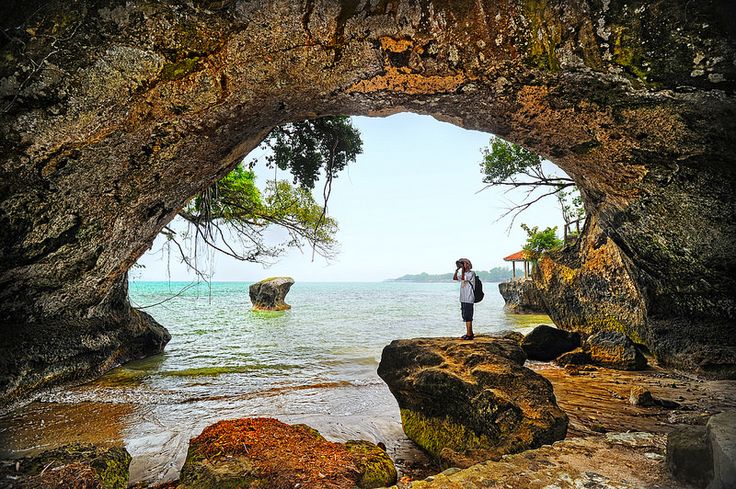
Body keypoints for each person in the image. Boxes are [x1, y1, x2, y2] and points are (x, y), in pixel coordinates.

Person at [453, 258, 475, 340]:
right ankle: (469, 333)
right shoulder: (464, 273)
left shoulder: (471, 273)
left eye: (464, 263)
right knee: (465, 316)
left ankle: (469, 335)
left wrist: (462, 269)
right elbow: (455, 278)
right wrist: (457, 270)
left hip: (469, 298)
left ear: (468, 265)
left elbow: (463, 278)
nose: (462, 265)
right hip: (463, 298)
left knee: (468, 316)